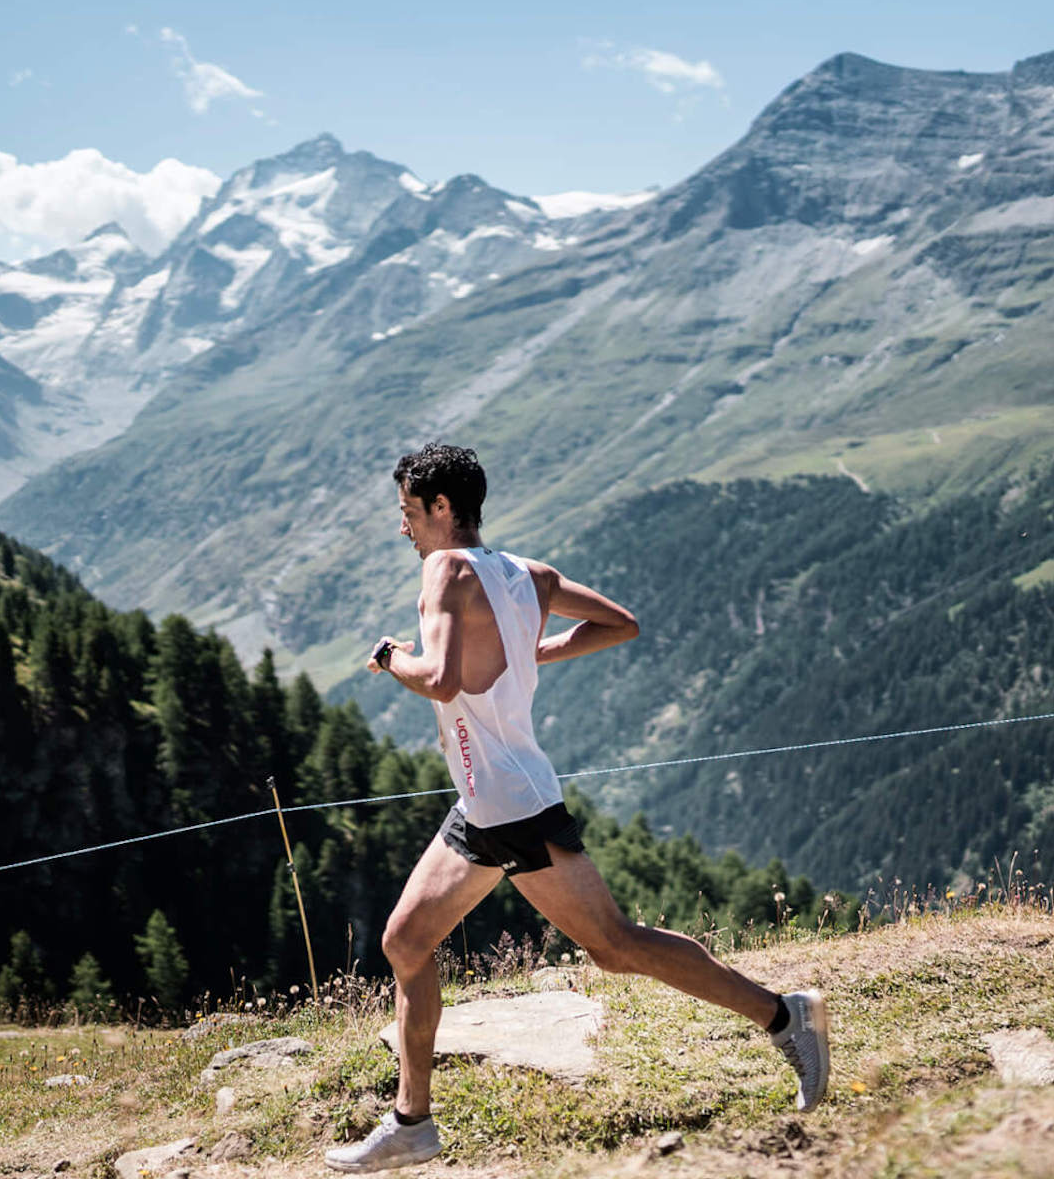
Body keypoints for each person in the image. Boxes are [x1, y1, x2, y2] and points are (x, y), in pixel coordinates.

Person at [326, 443, 828, 1174]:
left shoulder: (445, 571)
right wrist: (525, 653)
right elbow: (620, 624)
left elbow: (438, 680)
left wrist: (389, 656)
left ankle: (786, 1016)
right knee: (405, 942)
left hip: (512, 808)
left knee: (615, 946)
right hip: (486, 802)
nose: (403, 527)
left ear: (441, 506)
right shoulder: (528, 574)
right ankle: (412, 1123)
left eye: (408, 511)